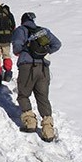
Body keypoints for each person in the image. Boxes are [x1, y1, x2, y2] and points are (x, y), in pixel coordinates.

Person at [11, 12, 61, 142]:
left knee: (23, 94)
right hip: (44, 68)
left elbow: (16, 48)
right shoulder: (44, 31)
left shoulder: (20, 30)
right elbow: (57, 44)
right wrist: (45, 51)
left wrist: (25, 51)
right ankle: (48, 130)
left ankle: (30, 122)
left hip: (27, 66)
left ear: (22, 21)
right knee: (43, 98)